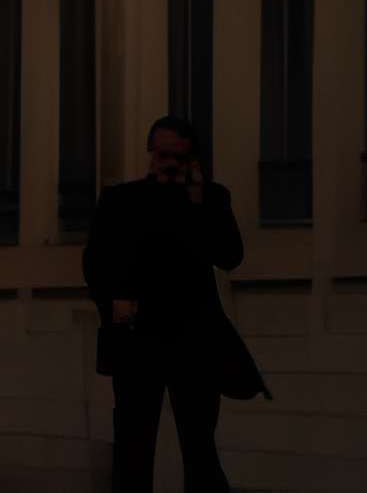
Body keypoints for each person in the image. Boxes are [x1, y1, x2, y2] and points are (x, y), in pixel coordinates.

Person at [83, 115, 265, 493]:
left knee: (199, 446)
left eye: (178, 156)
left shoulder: (211, 199)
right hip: (138, 339)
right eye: (163, 154)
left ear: (191, 159)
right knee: (133, 447)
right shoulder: (122, 201)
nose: (168, 163)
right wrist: (115, 307)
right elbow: (97, 264)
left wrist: (198, 202)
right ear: (151, 155)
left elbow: (229, 255)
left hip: (192, 341)